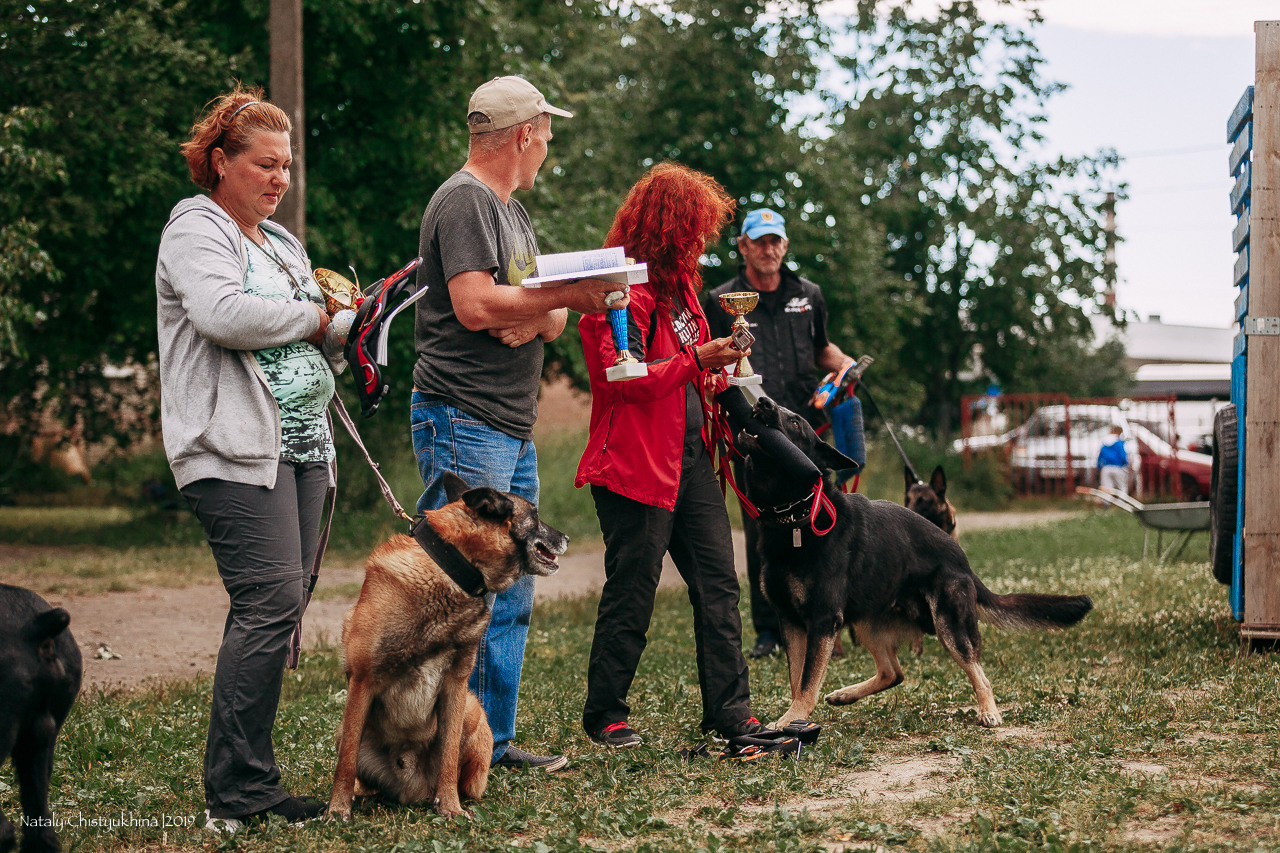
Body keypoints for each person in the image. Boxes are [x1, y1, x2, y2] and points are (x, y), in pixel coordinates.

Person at [412, 76, 625, 773]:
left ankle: (489, 742)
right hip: (462, 416)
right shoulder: (465, 200)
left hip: (510, 425)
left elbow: (553, 317)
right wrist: (552, 300)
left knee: (514, 583)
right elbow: (476, 305)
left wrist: (542, 309)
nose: (550, 146)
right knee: (456, 590)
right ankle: (436, 747)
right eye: (547, 132)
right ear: (523, 133)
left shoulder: (515, 214)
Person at [157, 86, 343, 829]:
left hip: (303, 448)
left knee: (280, 609)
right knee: (267, 604)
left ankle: (251, 779)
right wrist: (317, 320)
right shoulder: (195, 225)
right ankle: (234, 794)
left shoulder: (285, 244)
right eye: (264, 164)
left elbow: (315, 329)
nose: (278, 180)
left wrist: (350, 335)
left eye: (287, 167)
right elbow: (222, 314)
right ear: (219, 161)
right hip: (231, 448)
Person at [576, 162, 769, 749]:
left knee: (719, 584)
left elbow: (685, 371)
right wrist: (697, 361)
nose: (701, 243)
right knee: (632, 591)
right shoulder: (619, 293)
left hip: (688, 458)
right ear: (668, 228)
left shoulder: (683, 288)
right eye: (694, 231)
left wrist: (717, 372)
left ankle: (729, 712)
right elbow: (626, 379)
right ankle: (605, 714)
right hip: (635, 465)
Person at [703, 208, 854, 659]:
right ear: (744, 246)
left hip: (807, 428)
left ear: (784, 246)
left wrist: (846, 368)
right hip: (753, 434)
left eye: (776, 241)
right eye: (759, 241)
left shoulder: (809, 294)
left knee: (826, 522)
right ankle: (770, 630)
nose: (768, 249)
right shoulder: (722, 299)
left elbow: (821, 348)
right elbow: (712, 357)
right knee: (762, 531)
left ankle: (828, 617)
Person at [1097, 424, 1130, 496]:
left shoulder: (1104, 442)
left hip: (1106, 467)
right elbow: (1122, 455)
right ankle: (1122, 502)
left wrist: (1099, 467)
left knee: (1107, 487)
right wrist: (1126, 464)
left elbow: (1100, 456)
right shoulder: (1118, 442)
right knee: (1122, 486)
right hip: (1118, 467)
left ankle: (1107, 503)